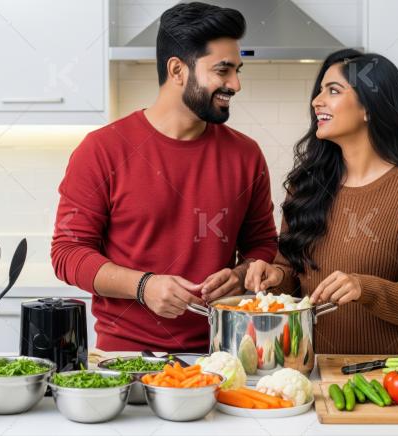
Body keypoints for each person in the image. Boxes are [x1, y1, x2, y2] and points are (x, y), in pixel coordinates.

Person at [51, 2, 277, 353]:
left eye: (238, 70)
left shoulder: (246, 155)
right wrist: (144, 286)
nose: (236, 84)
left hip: (221, 354)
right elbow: (67, 253)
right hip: (125, 359)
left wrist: (240, 276)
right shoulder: (102, 150)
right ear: (177, 70)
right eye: (223, 70)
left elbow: (262, 245)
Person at [245, 49, 398, 355]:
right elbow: (293, 276)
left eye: (333, 91)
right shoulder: (306, 187)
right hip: (311, 368)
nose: (317, 101)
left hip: (388, 377)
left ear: (370, 107)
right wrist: (276, 277)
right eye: (319, 91)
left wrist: (364, 289)